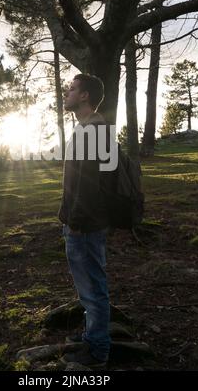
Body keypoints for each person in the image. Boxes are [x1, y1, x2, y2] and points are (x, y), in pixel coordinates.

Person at [58, 73, 112, 369]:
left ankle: (98, 350)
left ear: (85, 96)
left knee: (93, 287)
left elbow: (89, 185)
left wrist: (75, 221)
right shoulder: (87, 128)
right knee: (88, 286)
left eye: (72, 89)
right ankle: (93, 336)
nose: (67, 92)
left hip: (86, 225)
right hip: (81, 222)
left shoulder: (93, 130)